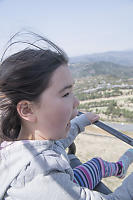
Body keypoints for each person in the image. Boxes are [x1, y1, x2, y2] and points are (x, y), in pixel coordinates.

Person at [0, 31, 133, 200]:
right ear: (27, 110)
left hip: (65, 181)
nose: (76, 102)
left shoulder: (25, 140)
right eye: (65, 94)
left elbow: (56, 144)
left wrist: (80, 122)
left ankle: (119, 168)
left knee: (96, 165)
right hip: (62, 187)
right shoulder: (38, 176)